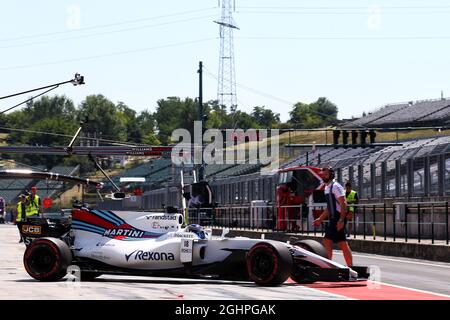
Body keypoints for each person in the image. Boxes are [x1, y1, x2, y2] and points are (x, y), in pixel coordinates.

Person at [313, 167, 353, 266]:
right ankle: (351, 267)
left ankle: (328, 266)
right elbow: (329, 207)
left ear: (331, 175)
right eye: (323, 175)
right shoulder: (327, 187)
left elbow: (344, 204)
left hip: (338, 217)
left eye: (326, 174)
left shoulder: (336, 186)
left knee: (327, 241)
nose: (324, 176)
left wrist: (341, 220)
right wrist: (320, 218)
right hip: (333, 217)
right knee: (342, 243)